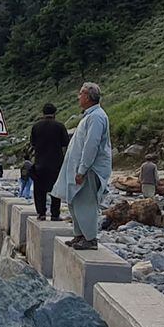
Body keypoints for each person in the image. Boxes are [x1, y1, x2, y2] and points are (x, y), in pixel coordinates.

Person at [53, 82, 112, 251]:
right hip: (80, 169)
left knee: (86, 203)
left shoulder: (97, 117)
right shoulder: (89, 116)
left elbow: (91, 146)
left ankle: (90, 238)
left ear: (87, 96)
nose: (78, 97)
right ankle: (80, 235)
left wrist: (82, 170)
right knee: (75, 201)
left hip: (89, 170)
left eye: (81, 93)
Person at [30, 102, 70, 221]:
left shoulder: (36, 126)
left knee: (39, 190)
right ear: (55, 113)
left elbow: (32, 143)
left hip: (40, 163)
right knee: (55, 189)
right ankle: (55, 214)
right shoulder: (60, 126)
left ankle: (41, 213)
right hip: (56, 163)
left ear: (43, 113)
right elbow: (65, 142)